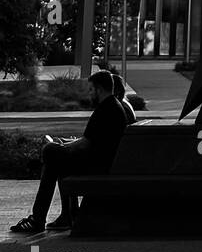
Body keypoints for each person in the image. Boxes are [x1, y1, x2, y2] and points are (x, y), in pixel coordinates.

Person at [9, 69, 128, 234]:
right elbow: (90, 140)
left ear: (99, 89)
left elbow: (85, 144)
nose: (90, 93)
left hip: (98, 167)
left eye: (91, 90)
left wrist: (62, 147)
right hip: (104, 163)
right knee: (55, 159)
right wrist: (65, 145)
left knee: (50, 152)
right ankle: (52, 217)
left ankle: (42, 218)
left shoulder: (105, 110)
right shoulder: (112, 107)